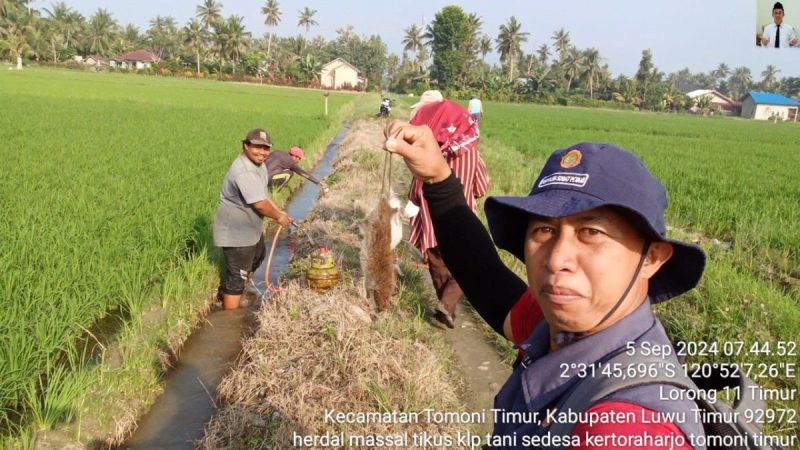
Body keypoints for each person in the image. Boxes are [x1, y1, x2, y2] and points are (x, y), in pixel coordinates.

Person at [384, 122, 709, 447]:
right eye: (544, 230)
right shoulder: (562, 328)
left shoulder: (629, 430)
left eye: (591, 233)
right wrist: (437, 178)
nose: (556, 259)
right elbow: (485, 278)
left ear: (651, 258)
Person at [405, 91, 489, 329]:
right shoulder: (470, 150)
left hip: (432, 224)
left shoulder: (425, 153)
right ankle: (447, 306)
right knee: (470, 262)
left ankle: (446, 307)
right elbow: (481, 187)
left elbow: (414, 194)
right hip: (462, 218)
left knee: (439, 265)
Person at [213, 128, 294, 310]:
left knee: (258, 256)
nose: (262, 152)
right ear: (246, 145)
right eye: (257, 147)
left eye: (266, 148)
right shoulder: (244, 171)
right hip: (236, 231)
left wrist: (281, 212)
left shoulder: (259, 165)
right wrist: (279, 217)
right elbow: (259, 204)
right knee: (237, 275)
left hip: (250, 228)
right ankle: (230, 319)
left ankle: (240, 291)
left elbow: (264, 195)